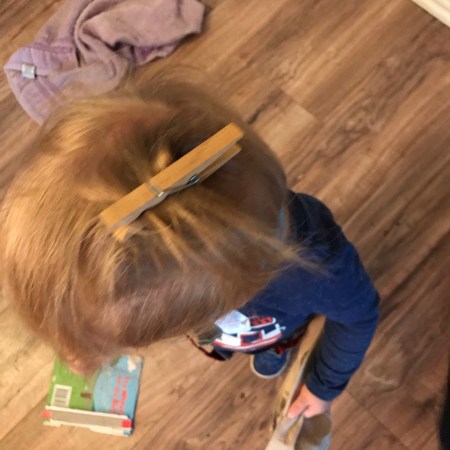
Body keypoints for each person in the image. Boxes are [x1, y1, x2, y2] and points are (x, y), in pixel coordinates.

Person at [0, 70, 379, 420]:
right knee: (240, 337)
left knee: (274, 339)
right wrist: (86, 345)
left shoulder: (318, 267)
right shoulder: (173, 274)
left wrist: (322, 386)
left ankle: (275, 347)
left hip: (281, 322)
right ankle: (257, 344)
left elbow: (359, 317)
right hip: (233, 320)